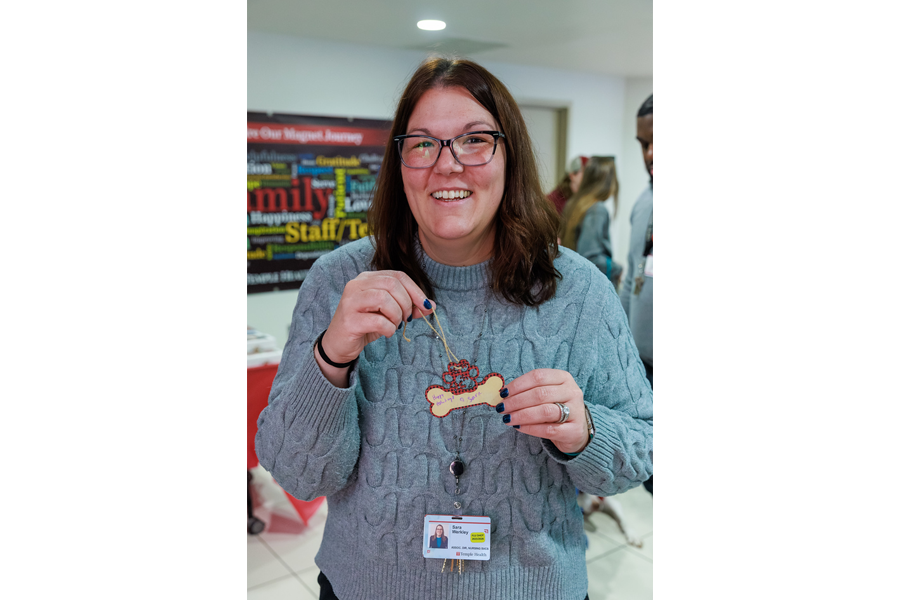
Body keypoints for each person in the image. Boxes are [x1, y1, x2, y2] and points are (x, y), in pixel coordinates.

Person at [255, 56, 653, 600]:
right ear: (400, 163)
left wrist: (582, 430)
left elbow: (641, 451)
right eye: (422, 143)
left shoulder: (577, 291)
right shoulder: (338, 282)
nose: (447, 165)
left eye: (475, 140)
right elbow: (298, 474)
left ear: (510, 155)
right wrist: (332, 357)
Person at [619, 94, 653, 496]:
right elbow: (632, 279)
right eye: (643, 143)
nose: (649, 153)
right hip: (644, 366)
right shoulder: (643, 202)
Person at [558, 155, 623, 288]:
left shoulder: (573, 203)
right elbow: (590, 257)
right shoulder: (597, 209)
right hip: (588, 287)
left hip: (571, 283)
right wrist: (616, 269)